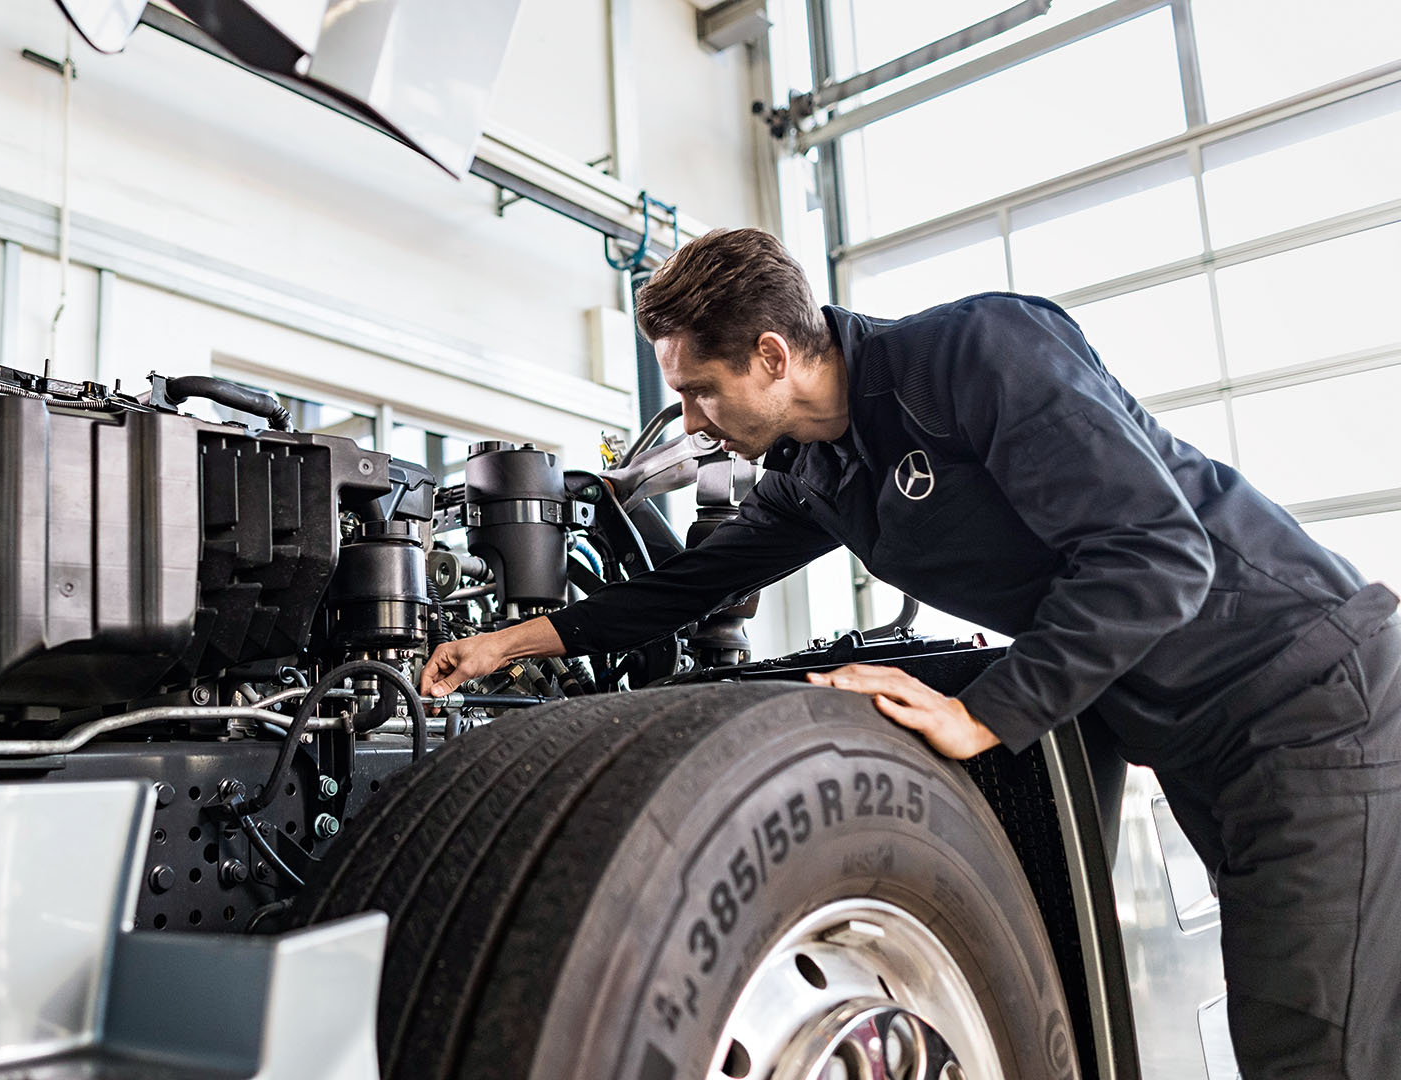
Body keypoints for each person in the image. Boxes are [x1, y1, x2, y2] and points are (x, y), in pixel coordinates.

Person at [420, 227, 1400, 1079]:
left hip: (1307, 693)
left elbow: (1158, 554)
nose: (689, 425)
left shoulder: (980, 356)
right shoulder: (818, 467)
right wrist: (513, 642)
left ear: (770, 355)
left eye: (699, 393)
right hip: (1194, 729)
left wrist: (986, 712)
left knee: (1312, 1037)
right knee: (1328, 1005)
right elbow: (692, 586)